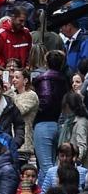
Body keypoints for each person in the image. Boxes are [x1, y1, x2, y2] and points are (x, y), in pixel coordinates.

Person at [34, 50, 70, 185]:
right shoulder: (64, 79)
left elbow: (46, 101)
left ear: (46, 62)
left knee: (47, 167)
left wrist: (36, 112)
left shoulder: (44, 79)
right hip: (58, 123)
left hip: (44, 123)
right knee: (49, 167)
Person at [8, 69, 38, 163]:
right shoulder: (12, 93)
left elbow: (20, 110)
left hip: (23, 143)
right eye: (12, 77)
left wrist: (11, 93)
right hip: (9, 140)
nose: (14, 80)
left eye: (17, 77)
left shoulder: (31, 95)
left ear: (25, 80)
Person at [58, 93, 88, 167]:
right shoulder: (68, 121)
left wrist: (75, 160)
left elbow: (82, 145)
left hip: (74, 166)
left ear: (69, 106)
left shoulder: (81, 122)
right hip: (67, 162)